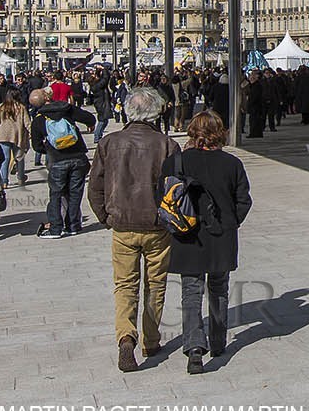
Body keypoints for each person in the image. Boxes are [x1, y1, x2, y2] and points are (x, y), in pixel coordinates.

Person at [88, 87, 180, 371]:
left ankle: (126, 336)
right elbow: (177, 189)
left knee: (125, 284)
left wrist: (105, 216)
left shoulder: (109, 143)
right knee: (155, 284)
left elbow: (95, 186)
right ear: (156, 112)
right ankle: (150, 339)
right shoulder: (167, 145)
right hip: (156, 225)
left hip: (123, 224)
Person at [167, 112, 252, 375]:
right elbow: (244, 200)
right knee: (219, 289)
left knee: (191, 292)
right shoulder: (232, 163)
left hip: (187, 235)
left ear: (192, 132)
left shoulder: (177, 162)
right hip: (220, 236)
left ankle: (194, 347)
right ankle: (217, 342)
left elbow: (163, 196)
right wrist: (231, 223)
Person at [32, 82, 97, 239]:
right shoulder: (65, 108)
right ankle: (73, 225)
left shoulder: (39, 119)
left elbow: (36, 146)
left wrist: (50, 149)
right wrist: (90, 125)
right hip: (78, 157)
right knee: (75, 192)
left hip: (57, 160)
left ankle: (55, 228)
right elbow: (89, 117)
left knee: (56, 194)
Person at [0, 95, 31, 188]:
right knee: (19, 157)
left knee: (5, 158)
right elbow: (27, 122)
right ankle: (21, 178)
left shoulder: (1, 106)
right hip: (17, 135)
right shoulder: (21, 107)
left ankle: (4, 181)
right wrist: (31, 132)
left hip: (3, 135)